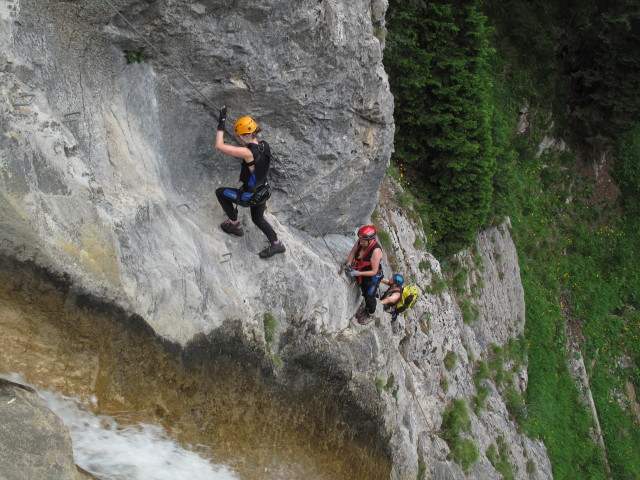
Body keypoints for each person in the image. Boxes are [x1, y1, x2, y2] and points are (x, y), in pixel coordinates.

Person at [214, 106, 285, 258]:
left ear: (246, 135)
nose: (238, 139)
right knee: (258, 219)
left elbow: (220, 146)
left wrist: (222, 121)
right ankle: (276, 244)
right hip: (263, 190)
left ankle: (234, 225)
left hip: (250, 196)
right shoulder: (265, 144)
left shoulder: (248, 153)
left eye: (239, 137)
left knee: (220, 193)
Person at [345, 225, 383, 324]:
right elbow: (353, 252)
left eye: (362, 240)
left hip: (372, 277)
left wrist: (357, 273)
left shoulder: (376, 251)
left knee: (369, 296)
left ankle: (371, 313)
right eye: (360, 239)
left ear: (370, 240)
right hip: (362, 272)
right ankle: (366, 309)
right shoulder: (361, 241)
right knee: (364, 291)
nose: (360, 242)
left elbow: (374, 271)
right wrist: (349, 264)